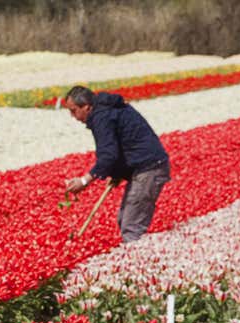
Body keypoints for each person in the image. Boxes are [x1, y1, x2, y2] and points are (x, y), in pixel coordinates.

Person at [61, 85, 171, 243]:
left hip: (149, 167)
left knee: (131, 226)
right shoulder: (106, 109)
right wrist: (118, 172)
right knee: (124, 220)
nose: (73, 116)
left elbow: (109, 154)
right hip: (144, 165)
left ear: (86, 107)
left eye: (74, 111)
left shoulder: (102, 116)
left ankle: (137, 262)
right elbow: (121, 143)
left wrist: (84, 181)